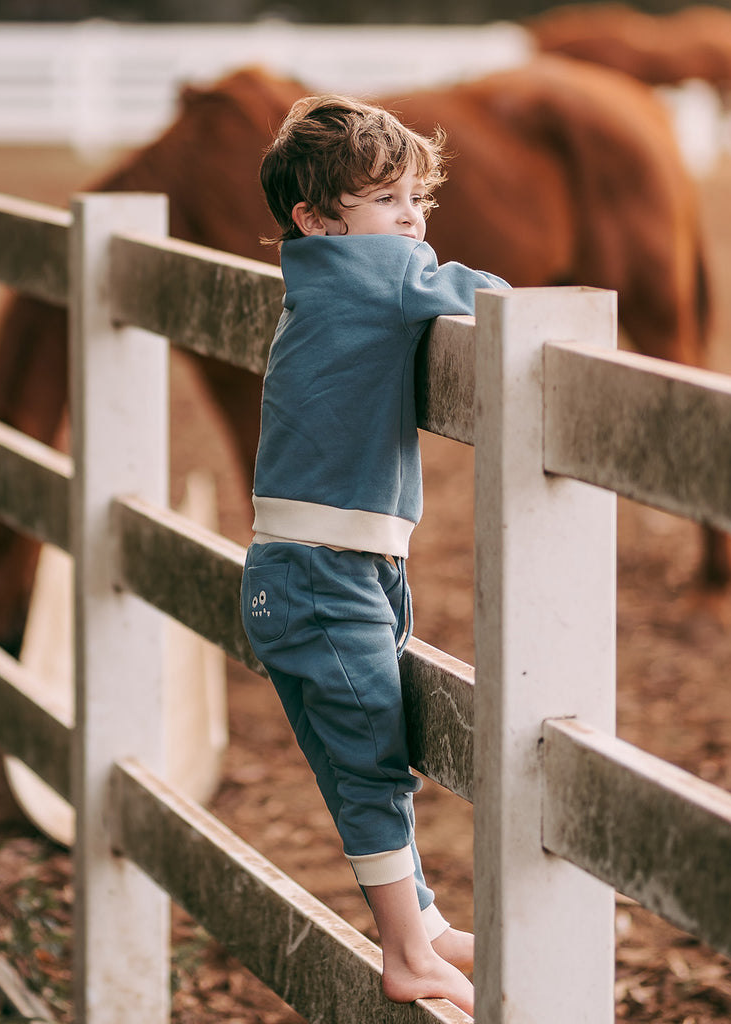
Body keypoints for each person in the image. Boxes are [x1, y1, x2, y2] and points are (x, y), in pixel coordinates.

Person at [240, 93, 509, 1015]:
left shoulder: (316, 274)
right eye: (388, 202)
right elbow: (493, 302)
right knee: (373, 767)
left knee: (357, 766)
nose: (413, 224)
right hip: (328, 575)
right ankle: (407, 951)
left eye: (418, 201)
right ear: (316, 220)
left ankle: (423, 923)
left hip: (303, 570)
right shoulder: (384, 275)